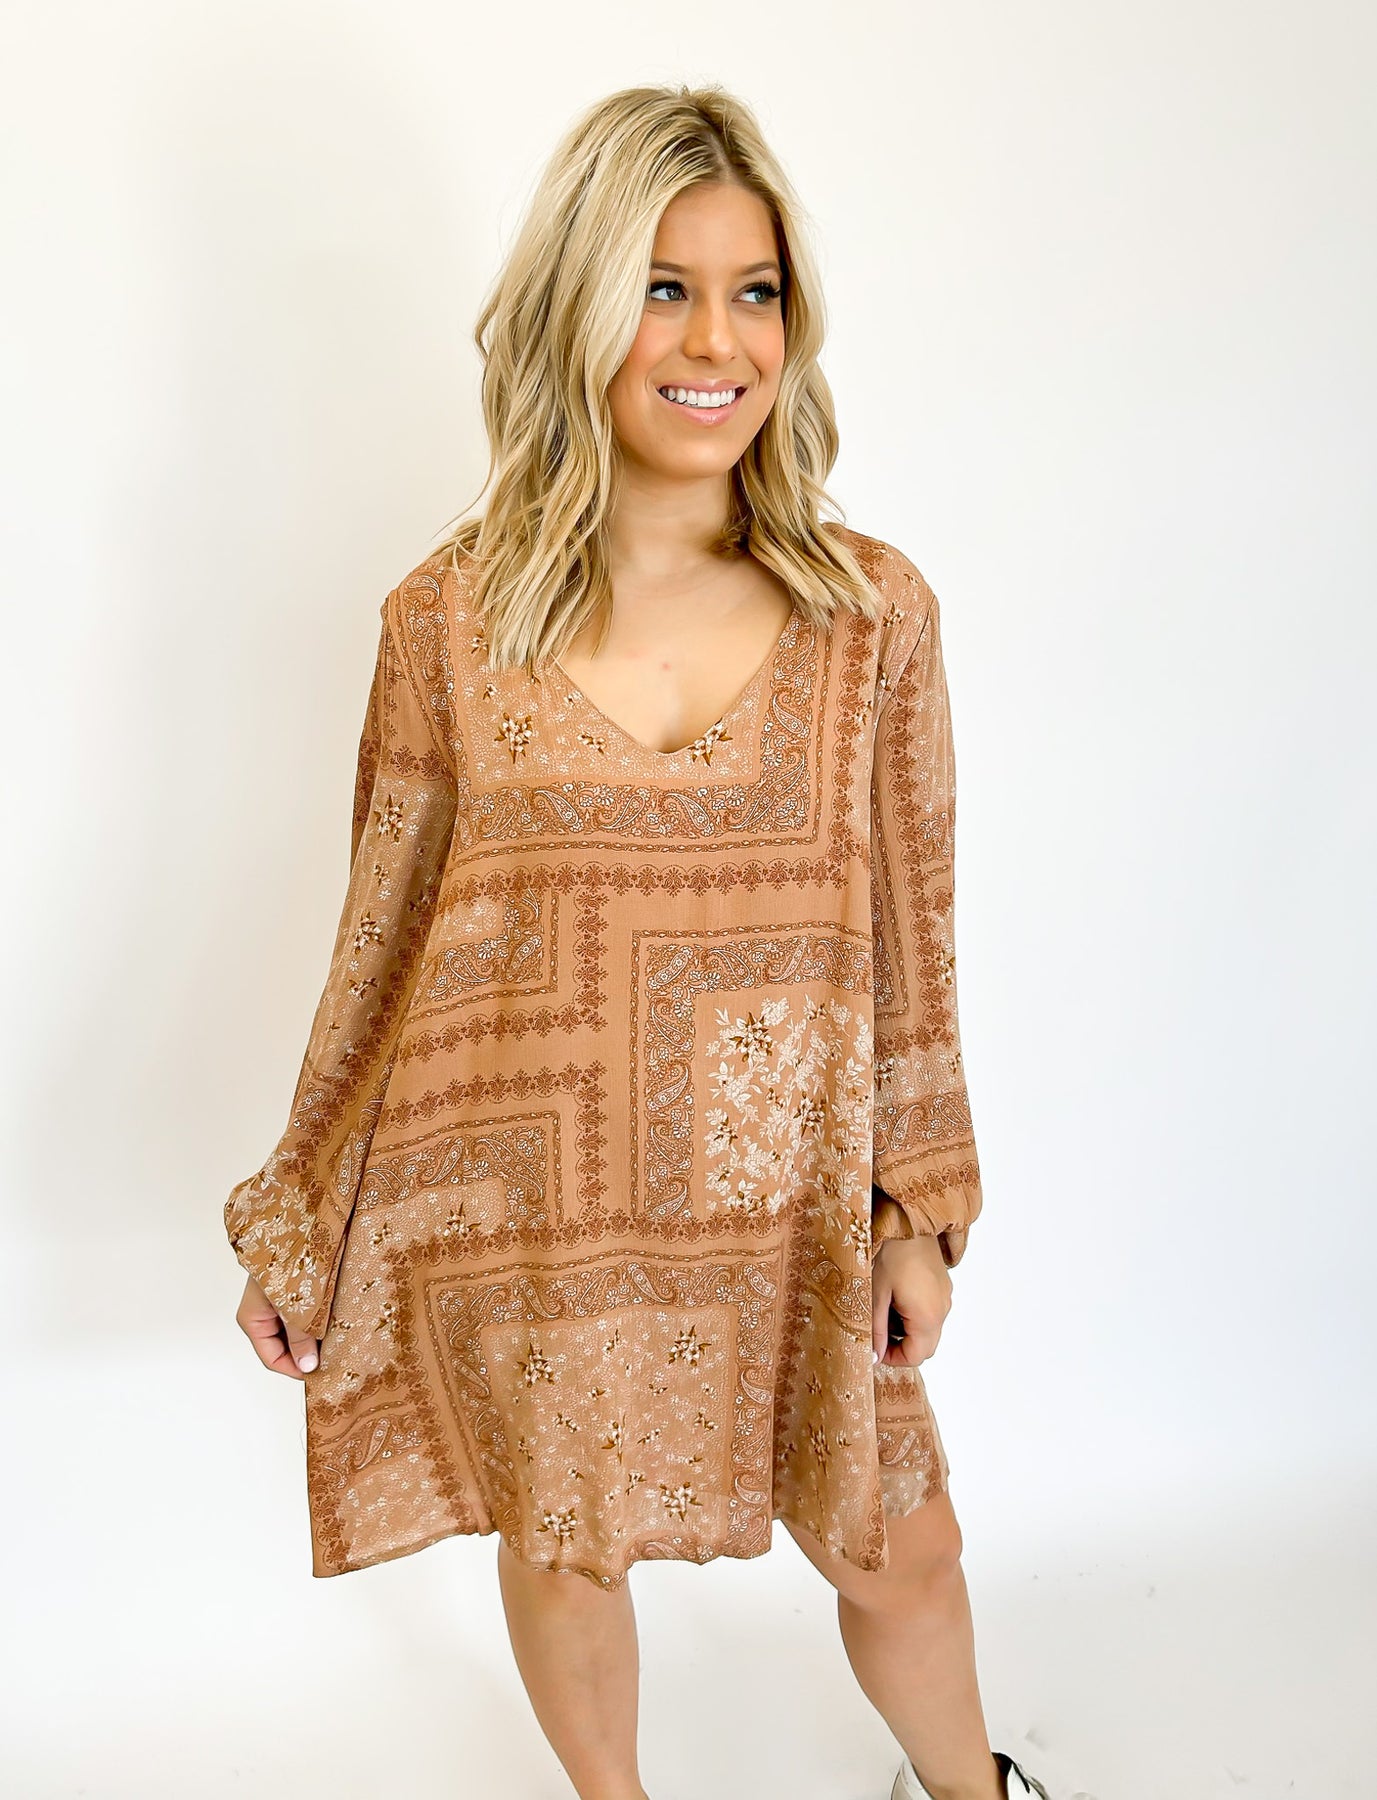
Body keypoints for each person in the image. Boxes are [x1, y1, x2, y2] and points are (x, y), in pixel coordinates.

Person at [223, 82, 1051, 1800]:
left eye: (755, 293)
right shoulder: (447, 623)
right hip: (534, 1195)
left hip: (787, 1200)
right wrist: (304, 1210)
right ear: (577, 311)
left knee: (904, 1547)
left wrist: (915, 1212)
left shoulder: (868, 615)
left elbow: (918, 930)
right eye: (663, 288)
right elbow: (380, 935)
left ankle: (973, 1793)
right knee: (567, 1544)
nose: (716, 341)